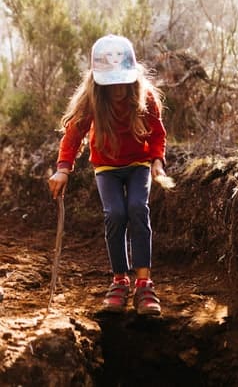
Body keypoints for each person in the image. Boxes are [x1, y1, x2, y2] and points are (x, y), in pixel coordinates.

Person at [48, 34, 167, 316]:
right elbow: (73, 134)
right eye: (109, 81)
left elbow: (158, 134)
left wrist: (157, 161)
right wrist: (63, 169)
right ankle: (119, 279)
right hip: (106, 167)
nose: (117, 87)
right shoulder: (92, 99)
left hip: (138, 164)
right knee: (115, 214)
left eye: (121, 79)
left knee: (138, 208)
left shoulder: (145, 96)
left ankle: (143, 282)